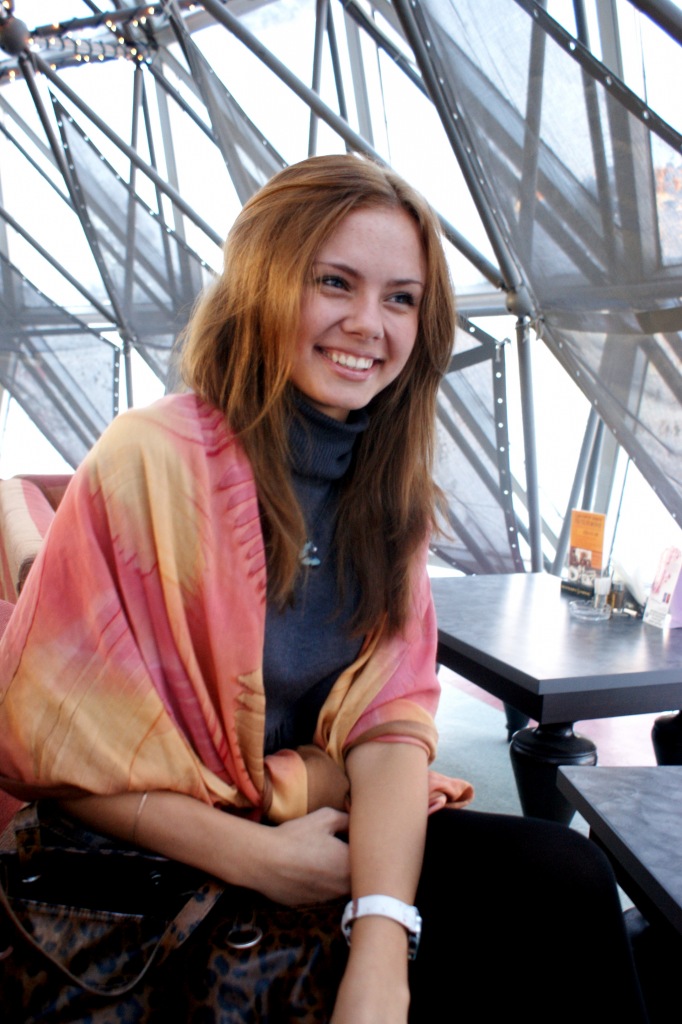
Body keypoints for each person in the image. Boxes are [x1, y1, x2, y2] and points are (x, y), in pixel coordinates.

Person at [0, 154, 648, 1023]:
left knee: (561, 879)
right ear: (263, 285)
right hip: (158, 837)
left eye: (401, 298)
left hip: (310, 809)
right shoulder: (149, 459)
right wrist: (253, 856)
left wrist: (382, 944)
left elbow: (389, 725)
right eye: (334, 282)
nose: (368, 324)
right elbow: (55, 745)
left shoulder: (386, 493)